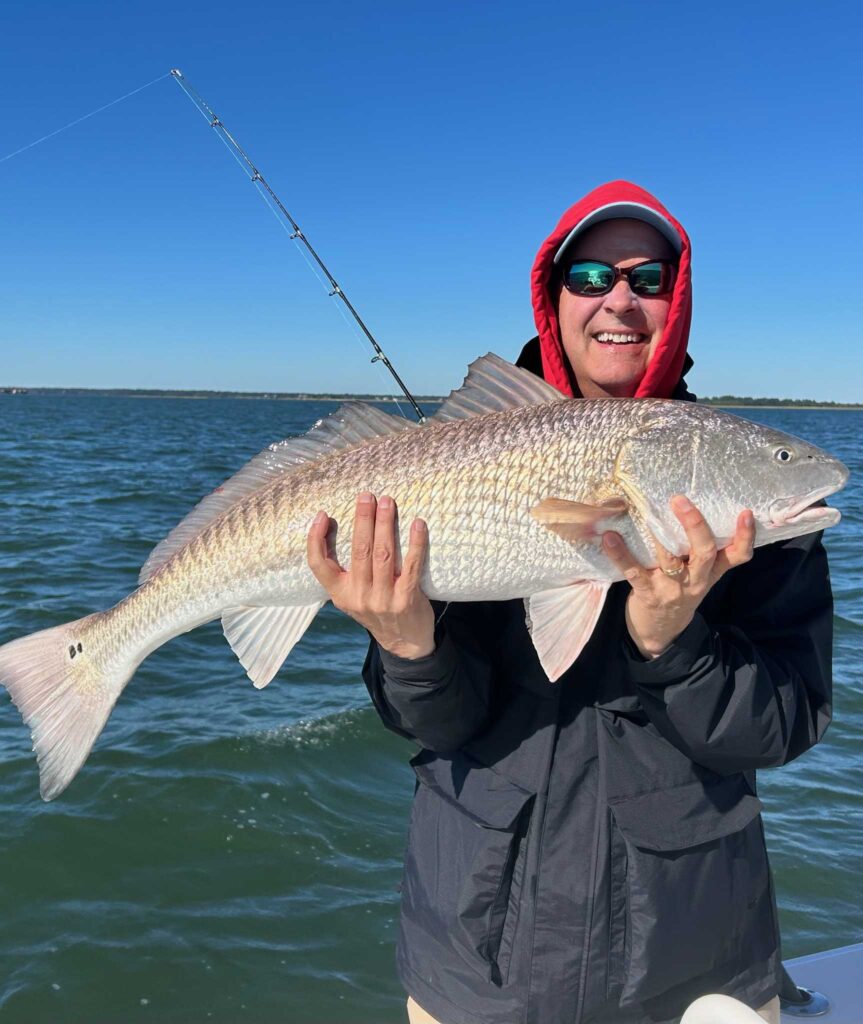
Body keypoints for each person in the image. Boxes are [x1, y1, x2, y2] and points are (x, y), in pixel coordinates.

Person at [306, 181, 833, 1024]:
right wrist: (409, 648)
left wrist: (673, 646)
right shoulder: (463, 457)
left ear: (676, 300)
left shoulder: (762, 532)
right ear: (552, 301)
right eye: (589, 276)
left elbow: (780, 728)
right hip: (474, 965)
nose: (618, 298)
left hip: (694, 961)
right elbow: (436, 725)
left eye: (648, 278)